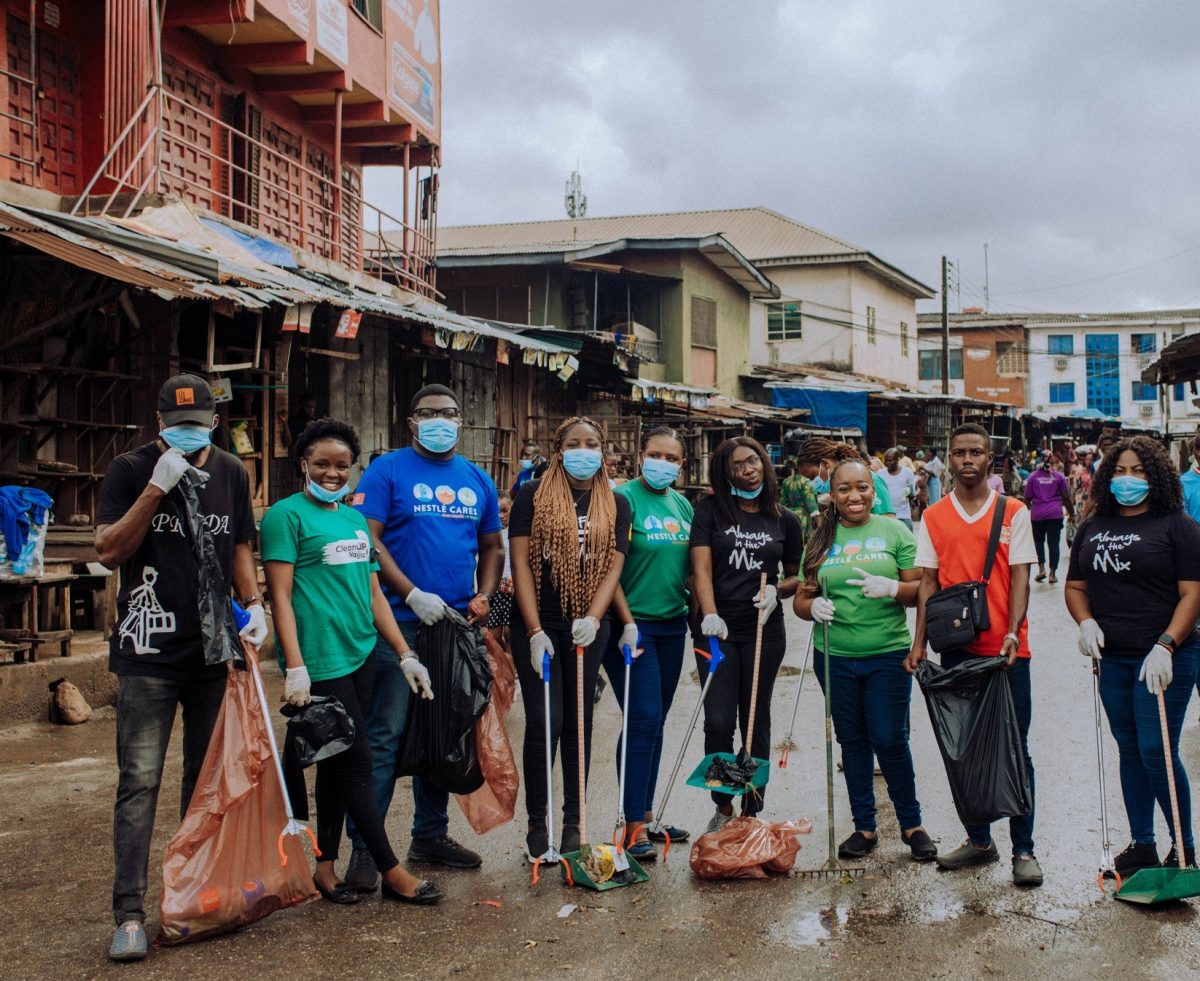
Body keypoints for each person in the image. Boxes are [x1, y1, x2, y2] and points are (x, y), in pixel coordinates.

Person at [96, 374, 267, 962]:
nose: (188, 433)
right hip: (147, 656)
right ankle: (129, 915)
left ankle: (192, 896)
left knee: (203, 782)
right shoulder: (129, 468)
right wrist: (154, 488)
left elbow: (240, 543)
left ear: (216, 422)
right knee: (139, 782)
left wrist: (256, 607)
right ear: (159, 419)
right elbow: (110, 549)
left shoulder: (231, 471)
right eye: (177, 423)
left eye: (199, 424)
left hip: (211, 651)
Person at [261, 418, 442, 906]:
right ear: (303, 464)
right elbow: (279, 595)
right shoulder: (285, 516)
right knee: (359, 764)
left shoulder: (354, 520)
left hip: (362, 652)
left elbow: (374, 592)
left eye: (342, 465)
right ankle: (392, 870)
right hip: (321, 662)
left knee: (334, 767)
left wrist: (405, 654)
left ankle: (323, 866)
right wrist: (293, 666)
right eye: (322, 463)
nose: (332, 473)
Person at [343, 384, 504, 890]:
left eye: (450, 413)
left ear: (462, 421)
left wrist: (484, 594)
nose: (441, 421)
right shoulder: (387, 470)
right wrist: (410, 593)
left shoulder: (477, 479)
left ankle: (429, 835)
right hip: (398, 623)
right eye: (429, 413)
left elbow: (493, 546)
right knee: (386, 736)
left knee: (444, 734)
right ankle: (366, 849)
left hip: (454, 625)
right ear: (412, 421)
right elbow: (367, 539)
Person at [906, 423, 1042, 887]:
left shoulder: (1014, 511)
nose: (967, 460)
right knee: (965, 751)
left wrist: (1012, 633)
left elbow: (1020, 577)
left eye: (976, 453)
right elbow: (928, 581)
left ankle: (1025, 849)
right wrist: (918, 641)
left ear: (990, 459)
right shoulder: (934, 516)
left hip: (1007, 654)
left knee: (1015, 749)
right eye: (960, 452)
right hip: (956, 649)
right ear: (950, 458)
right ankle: (980, 841)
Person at [1065, 436, 1200, 872]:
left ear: (1155, 476)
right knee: (1129, 748)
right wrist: (1085, 621)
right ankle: (1142, 842)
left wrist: (1166, 644)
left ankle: (1183, 848)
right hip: (1114, 658)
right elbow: (1075, 586)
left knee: (1155, 748)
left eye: (1138, 471)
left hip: (1164, 657)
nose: (1128, 479)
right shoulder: (1092, 524)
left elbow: (1193, 595)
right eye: (1120, 470)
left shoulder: (1176, 526)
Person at [793, 459, 937, 861]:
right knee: (852, 741)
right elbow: (802, 597)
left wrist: (893, 588)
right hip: (834, 656)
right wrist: (812, 606)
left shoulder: (894, 530)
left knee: (890, 738)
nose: (853, 497)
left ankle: (912, 824)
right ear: (832, 495)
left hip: (887, 653)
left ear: (874, 491)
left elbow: (919, 589)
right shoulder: (820, 537)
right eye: (844, 490)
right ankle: (865, 827)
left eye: (862, 488)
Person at [510, 416, 632, 860]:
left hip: (586, 628)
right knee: (546, 721)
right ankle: (537, 825)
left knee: (579, 724)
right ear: (559, 449)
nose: (585, 450)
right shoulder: (532, 496)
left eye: (593, 443)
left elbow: (613, 566)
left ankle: (573, 821)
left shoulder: (617, 504)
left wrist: (597, 619)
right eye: (575, 443)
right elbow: (520, 564)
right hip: (539, 624)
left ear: (604, 449)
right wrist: (534, 629)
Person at [691, 437, 802, 832]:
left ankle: (752, 811)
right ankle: (723, 805)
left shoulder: (784, 518)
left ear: (765, 463)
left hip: (763, 630)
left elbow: (795, 576)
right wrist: (708, 613)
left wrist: (777, 592)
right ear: (725, 474)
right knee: (719, 721)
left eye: (753, 460)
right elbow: (701, 569)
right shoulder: (709, 512)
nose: (748, 469)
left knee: (756, 719)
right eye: (737, 466)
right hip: (716, 629)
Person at [605, 427, 694, 860]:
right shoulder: (622, 499)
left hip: (672, 627)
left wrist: (705, 617)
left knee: (655, 723)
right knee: (643, 718)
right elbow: (609, 569)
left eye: (672, 457)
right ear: (641, 457)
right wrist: (625, 621)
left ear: (682, 464)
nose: (663, 463)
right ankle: (632, 824)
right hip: (630, 626)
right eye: (655, 454)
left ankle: (645, 811)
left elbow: (691, 571)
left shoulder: (682, 505)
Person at [795, 438, 895, 517]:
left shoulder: (871, 480)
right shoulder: (834, 491)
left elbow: (888, 520)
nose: (813, 483)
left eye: (813, 477)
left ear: (825, 464)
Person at [1024, 452, 1074, 584]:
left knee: (1038, 542)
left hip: (1037, 515)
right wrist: (1072, 513)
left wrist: (1022, 515)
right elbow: (1066, 497)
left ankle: (1041, 570)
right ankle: (1052, 574)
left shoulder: (1032, 477)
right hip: (1054, 514)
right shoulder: (1059, 476)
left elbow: (1027, 499)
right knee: (1053, 544)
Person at [485, 492, 515, 651]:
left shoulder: (517, 531)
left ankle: (515, 671)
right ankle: (503, 663)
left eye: (505, 510)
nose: (501, 515)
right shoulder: (488, 533)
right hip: (494, 588)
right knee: (492, 635)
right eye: (497, 511)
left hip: (512, 589)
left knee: (510, 632)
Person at [779, 457, 821, 544]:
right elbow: (811, 504)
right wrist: (819, 523)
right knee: (802, 543)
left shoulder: (786, 481)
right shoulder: (806, 482)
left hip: (789, 516)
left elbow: (782, 503)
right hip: (802, 517)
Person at [880, 448, 917, 530]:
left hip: (903, 515)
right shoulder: (880, 474)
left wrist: (908, 500)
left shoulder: (908, 473)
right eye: (886, 461)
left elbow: (912, 494)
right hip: (886, 515)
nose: (887, 463)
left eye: (890, 460)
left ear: (897, 460)